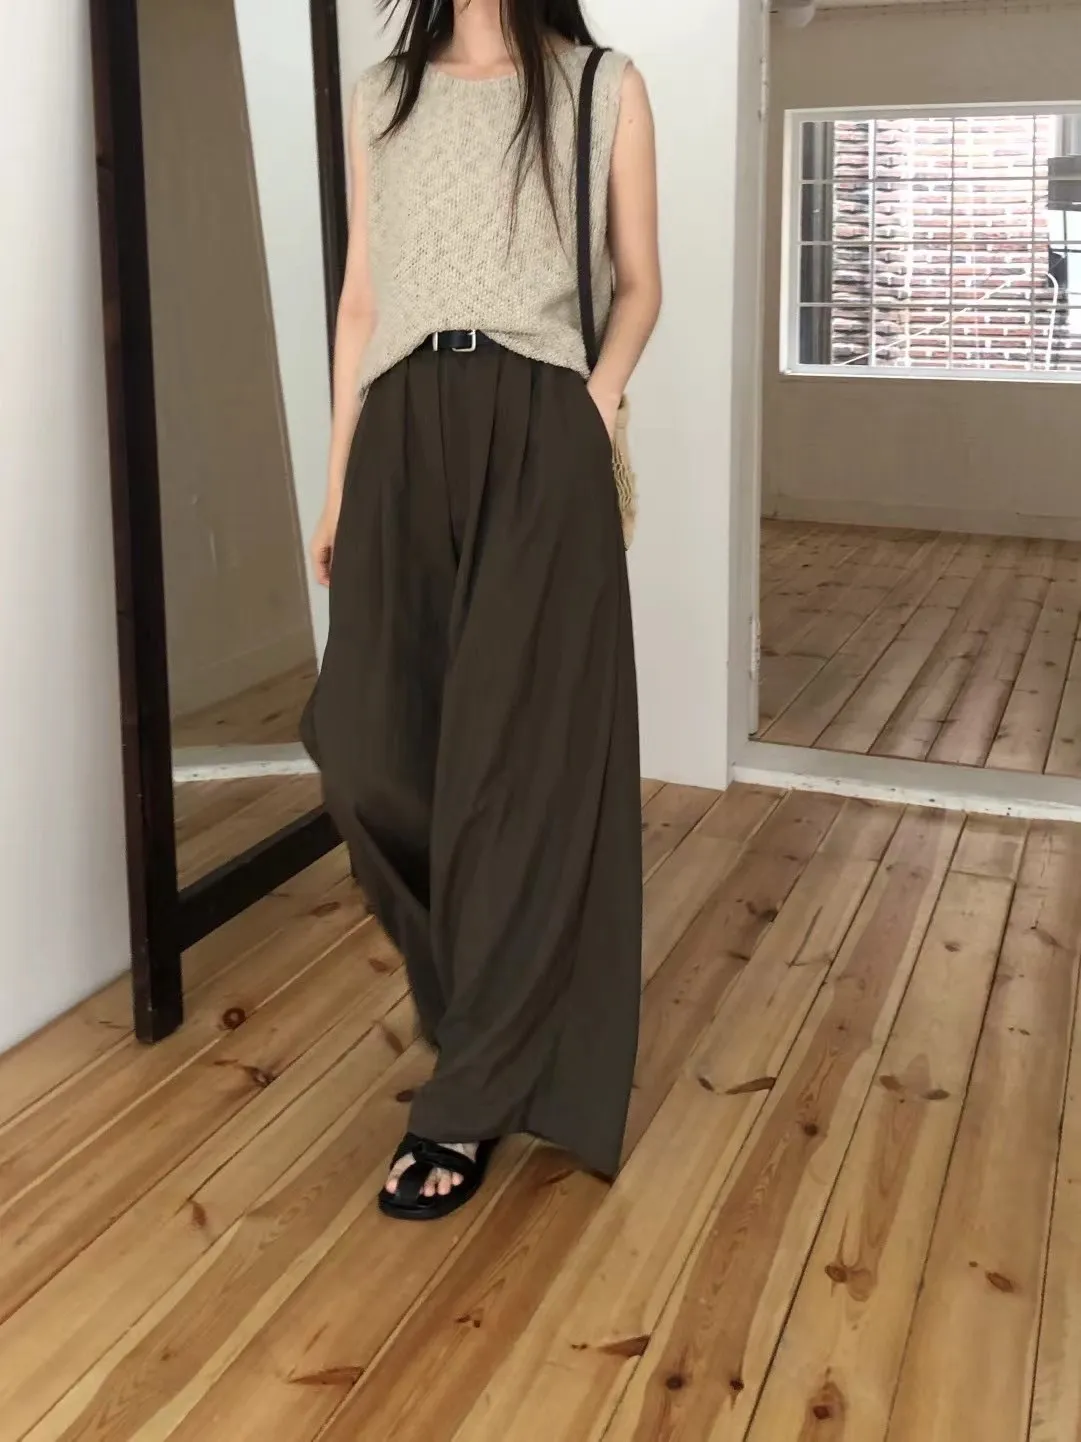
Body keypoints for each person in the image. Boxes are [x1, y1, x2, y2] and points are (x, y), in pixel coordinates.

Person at [301, 0, 661, 1222]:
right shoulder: (381, 98)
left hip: (536, 429)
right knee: (364, 750)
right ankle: (488, 1018)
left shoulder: (602, 85)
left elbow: (640, 285)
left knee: (510, 773)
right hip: (400, 430)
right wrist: (338, 478)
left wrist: (587, 407)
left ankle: (462, 1102)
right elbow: (362, 299)